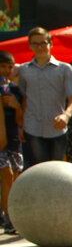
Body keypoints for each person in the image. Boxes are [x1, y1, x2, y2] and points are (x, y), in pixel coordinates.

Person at [14, 27, 72, 167]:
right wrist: (21, 125)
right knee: (39, 169)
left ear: (50, 44)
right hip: (32, 127)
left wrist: (66, 115)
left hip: (57, 128)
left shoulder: (64, 69)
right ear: (30, 46)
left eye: (43, 43)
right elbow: (25, 98)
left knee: (56, 169)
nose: (39, 47)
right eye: (35, 44)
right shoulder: (24, 70)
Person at [0, 50, 23, 234]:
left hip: (14, 140)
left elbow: (21, 120)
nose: (6, 70)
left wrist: (15, 106)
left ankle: (10, 214)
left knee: (14, 178)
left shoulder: (15, 89)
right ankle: (9, 219)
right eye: (3, 66)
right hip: (0, 141)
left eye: (9, 66)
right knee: (6, 176)